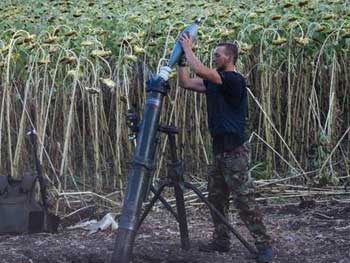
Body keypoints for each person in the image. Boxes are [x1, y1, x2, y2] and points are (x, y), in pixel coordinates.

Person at [176, 33, 272, 263]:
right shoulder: (216, 80)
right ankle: (221, 240)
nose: (214, 58)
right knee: (217, 197)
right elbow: (186, 82)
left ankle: (263, 244)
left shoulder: (233, 79)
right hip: (219, 149)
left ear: (230, 57)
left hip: (235, 151)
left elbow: (200, 70)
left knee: (244, 199)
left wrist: (187, 48)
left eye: (217, 55)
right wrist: (180, 61)